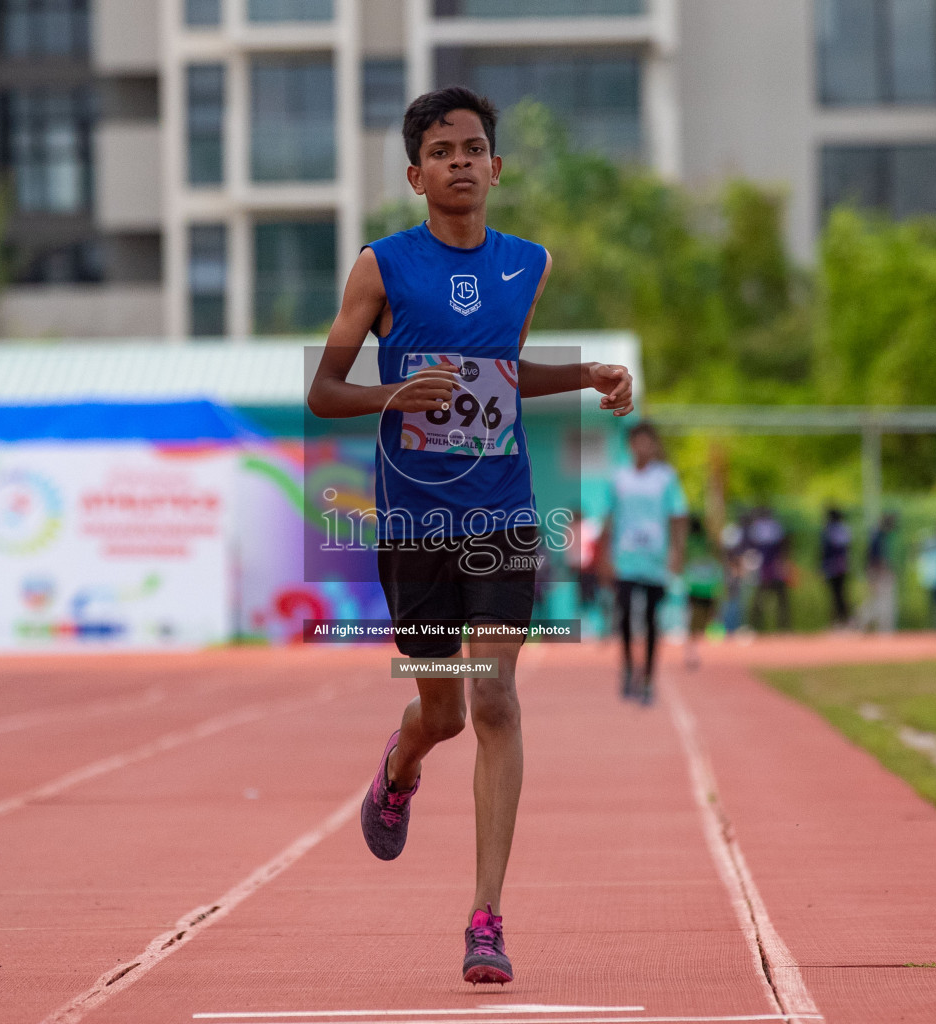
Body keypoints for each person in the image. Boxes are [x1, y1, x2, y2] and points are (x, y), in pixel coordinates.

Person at [306, 86, 634, 987]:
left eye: (474, 148)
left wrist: (584, 374)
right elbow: (324, 392)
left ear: (497, 167)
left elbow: (502, 372)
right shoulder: (381, 268)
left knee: (493, 700)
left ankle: (486, 918)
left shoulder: (528, 264)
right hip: (414, 520)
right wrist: (389, 395)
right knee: (445, 711)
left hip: (501, 513)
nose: (460, 161)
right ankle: (402, 760)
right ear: (416, 175)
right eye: (442, 150)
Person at [600, 422, 688, 703]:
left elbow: (678, 516)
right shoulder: (619, 478)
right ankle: (627, 668)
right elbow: (608, 519)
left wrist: (677, 552)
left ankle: (648, 676)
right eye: (637, 441)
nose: (642, 447)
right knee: (624, 614)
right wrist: (603, 557)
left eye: (647, 441)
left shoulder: (665, 477)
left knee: (651, 618)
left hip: (655, 559)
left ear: (654, 444)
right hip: (625, 558)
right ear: (630, 444)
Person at [681, 514, 722, 668]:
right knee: (705, 618)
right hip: (707, 586)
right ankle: (695, 649)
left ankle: (692, 650)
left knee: (693, 618)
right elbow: (716, 561)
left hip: (693, 585)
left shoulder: (688, 543)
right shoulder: (709, 543)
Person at [746, 504, 790, 632]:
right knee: (773, 596)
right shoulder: (772, 526)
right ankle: (781, 625)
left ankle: (756, 625)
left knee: (766, 595)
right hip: (769, 565)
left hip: (767, 565)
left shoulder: (760, 527)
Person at [858, 512, 899, 634]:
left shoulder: (879, 535)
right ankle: (863, 622)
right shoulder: (877, 535)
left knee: (880, 601)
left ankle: (863, 622)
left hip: (877, 572)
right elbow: (874, 557)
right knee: (883, 602)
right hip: (878, 573)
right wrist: (882, 571)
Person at [819, 506, 852, 627]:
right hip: (842, 565)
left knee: (836, 594)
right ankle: (842, 620)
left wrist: (822, 567)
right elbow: (847, 548)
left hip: (833, 566)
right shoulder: (844, 529)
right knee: (840, 593)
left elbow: (825, 550)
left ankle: (841, 620)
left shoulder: (829, 530)